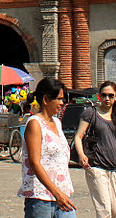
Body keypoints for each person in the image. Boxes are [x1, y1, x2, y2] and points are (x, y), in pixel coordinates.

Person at [74, 80, 116, 218]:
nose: (107, 98)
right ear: (99, 96)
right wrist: (82, 155)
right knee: (104, 211)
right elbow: (78, 136)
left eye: (111, 95)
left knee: (114, 210)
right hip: (96, 166)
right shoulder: (91, 113)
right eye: (104, 95)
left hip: (115, 167)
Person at [19, 77, 76, 217]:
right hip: (41, 198)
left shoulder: (57, 122)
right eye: (59, 99)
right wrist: (56, 193)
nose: (62, 103)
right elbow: (35, 162)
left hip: (63, 195)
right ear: (45, 100)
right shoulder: (35, 124)